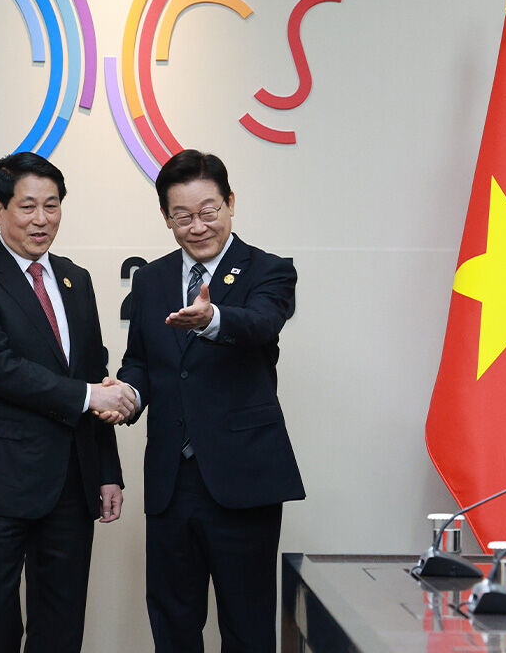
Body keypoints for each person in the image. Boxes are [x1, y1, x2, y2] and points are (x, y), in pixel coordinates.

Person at [0, 151, 135, 653]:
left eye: (52, 205)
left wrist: (107, 469)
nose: (41, 219)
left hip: (71, 481)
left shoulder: (77, 278)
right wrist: (91, 394)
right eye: (27, 206)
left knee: (62, 624)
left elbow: (93, 371)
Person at [117, 149, 305, 652]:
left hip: (243, 480)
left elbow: (262, 323)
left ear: (230, 204)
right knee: (173, 625)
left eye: (208, 212)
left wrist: (213, 318)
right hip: (170, 483)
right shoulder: (152, 279)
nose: (196, 226)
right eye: (182, 216)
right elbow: (141, 360)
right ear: (166, 217)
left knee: (247, 626)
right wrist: (129, 395)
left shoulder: (269, 270)